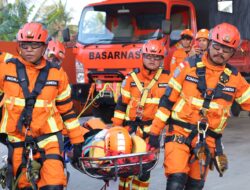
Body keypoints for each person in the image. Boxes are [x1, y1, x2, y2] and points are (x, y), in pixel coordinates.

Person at [148, 22, 250, 190]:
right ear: (209, 43)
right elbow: (167, 101)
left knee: (195, 185)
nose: (220, 52)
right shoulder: (187, 67)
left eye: (226, 50)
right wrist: (154, 132)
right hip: (179, 134)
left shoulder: (235, 79)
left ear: (232, 53)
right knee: (176, 180)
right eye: (217, 46)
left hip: (207, 142)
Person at [0, 22, 84, 189]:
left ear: (44, 47)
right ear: (19, 46)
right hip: (17, 140)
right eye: (25, 45)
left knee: (54, 184)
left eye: (34, 45)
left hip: (49, 138)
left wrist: (77, 140)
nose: (29, 49)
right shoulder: (5, 69)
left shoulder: (57, 74)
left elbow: (67, 111)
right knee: (23, 186)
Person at [112, 39, 170, 190]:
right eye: (149, 56)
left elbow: (169, 108)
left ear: (162, 59)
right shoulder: (131, 79)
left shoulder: (167, 80)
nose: (152, 60)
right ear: (142, 56)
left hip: (150, 133)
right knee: (125, 170)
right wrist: (116, 130)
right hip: (129, 131)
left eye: (156, 57)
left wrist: (158, 135)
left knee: (144, 171)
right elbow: (121, 106)